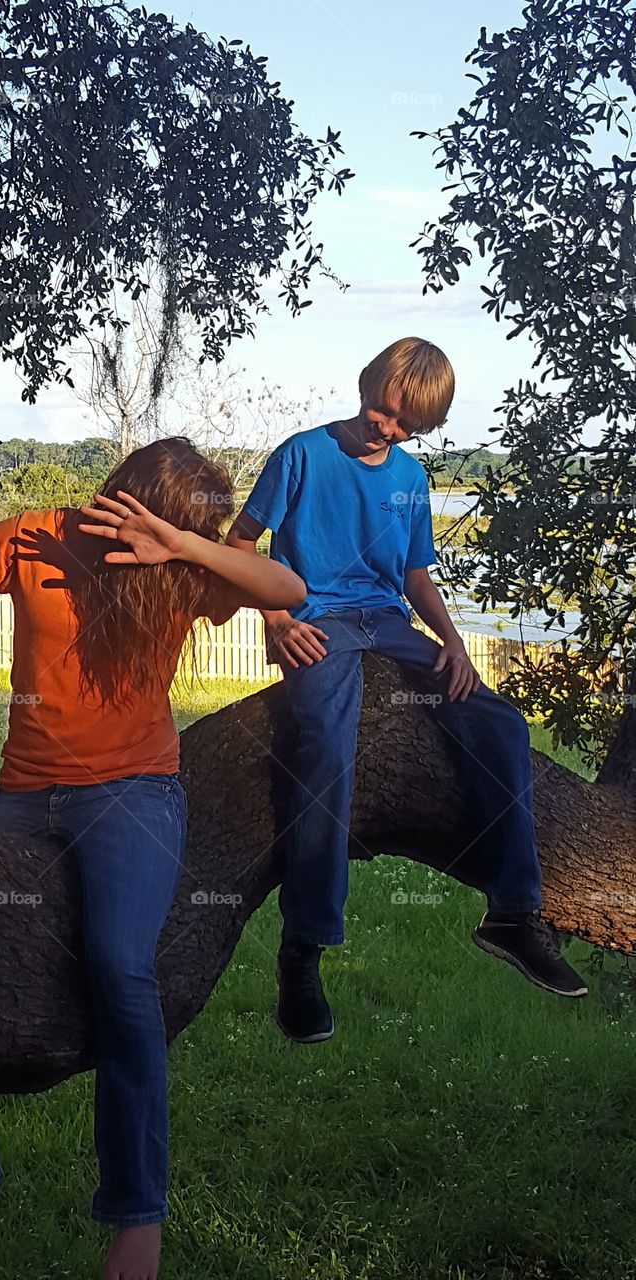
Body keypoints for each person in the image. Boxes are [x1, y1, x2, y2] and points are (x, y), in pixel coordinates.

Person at [0, 437, 305, 1280]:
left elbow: (288, 588)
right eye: (171, 524)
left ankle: (136, 1214)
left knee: (120, 966)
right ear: (124, 497)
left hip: (135, 792)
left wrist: (185, 546)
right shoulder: (29, 539)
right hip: (25, 792)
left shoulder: (180, 569)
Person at [226, 337, 587, 1046]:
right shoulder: (301, 454)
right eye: (377, 408)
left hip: (386, 621)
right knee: (328, 746)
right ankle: (303, 949)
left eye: (400, 423)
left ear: (420, 429)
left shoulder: (410, 479)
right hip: (315, 619)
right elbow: (239, 545)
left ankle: (513, 913)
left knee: (499, 725)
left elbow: (415, 575)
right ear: (364, 386)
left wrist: (452, 643)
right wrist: (273, 620)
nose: (381, 426)